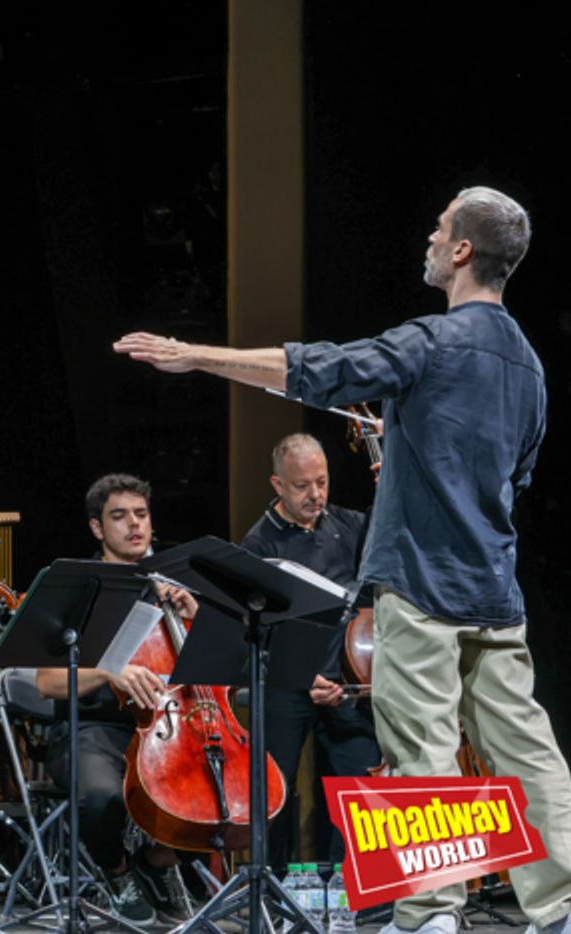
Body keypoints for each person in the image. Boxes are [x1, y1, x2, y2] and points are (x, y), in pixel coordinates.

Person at [115, 186, 571, 934]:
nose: (429, 236)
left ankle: (429, 913)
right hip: (495, 587)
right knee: (527, 747)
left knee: (421, 748)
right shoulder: (528, 365)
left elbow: (316, 369)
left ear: (462, 251)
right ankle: (558, 908)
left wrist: (193, 355)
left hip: (422, 585)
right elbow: (511, 480)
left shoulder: (435, 341)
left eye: (440, 227)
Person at [34, 473, 199, 925]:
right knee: (99, 795)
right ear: (96, 528)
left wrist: (195, 621)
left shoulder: (175, 584)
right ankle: (119, 871)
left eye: (141, 514)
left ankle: (158, 863)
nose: (134, 525)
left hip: (168, 724)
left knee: (211, 789)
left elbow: (211, 674)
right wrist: (109, 670)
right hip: (93, 728)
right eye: (119, 516)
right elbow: (47, 683)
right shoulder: (78, 590)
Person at [239, 434, 382, 869]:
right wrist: (305, 678)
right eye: (302, 485)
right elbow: (258, 632)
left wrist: (391, 485)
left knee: (360, 784)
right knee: (274, 791)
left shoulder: (349, 525)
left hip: (347, 680)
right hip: (288, 682)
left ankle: (359, 895)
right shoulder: (259, 544)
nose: (315, 494)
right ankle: (274, 887)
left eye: (322, 482)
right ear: (277, 485)